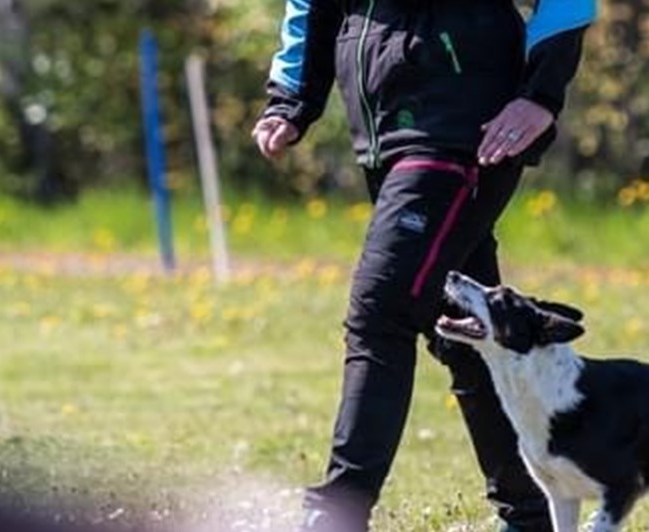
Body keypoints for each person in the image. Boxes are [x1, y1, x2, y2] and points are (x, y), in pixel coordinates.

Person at [251, 0, 594, 530]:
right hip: (386, 131)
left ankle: (336, 513)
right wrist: (291, 99)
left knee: (382, 312)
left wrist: (540, 95)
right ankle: (529, 513)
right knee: (464, 329)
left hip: (465, 126)